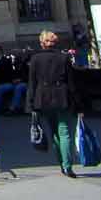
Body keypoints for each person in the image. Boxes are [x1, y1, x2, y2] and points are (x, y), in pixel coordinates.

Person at [28, 28, 82, 174]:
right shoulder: (63, 58)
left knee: (54, 132)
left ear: (42, 43)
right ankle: (67, 165)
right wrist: (78, 104)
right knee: (64, 131)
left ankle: (61, 162)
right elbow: (71, 83)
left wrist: (31, 104)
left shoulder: (35, 59)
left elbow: (32, 83)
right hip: (62, 96)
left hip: (43, 98)